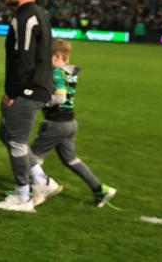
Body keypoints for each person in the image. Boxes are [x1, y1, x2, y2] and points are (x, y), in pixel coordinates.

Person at [28, 39, 117, 208]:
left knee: (31, 159)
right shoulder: (70, 72)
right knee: (71, 160)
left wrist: (41, 100)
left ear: (55, 57)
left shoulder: (56, 73)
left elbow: (60, 97)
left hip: (56, 123)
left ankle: (33, 192)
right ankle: (100, 189)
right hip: (70, 123)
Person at [0, 0, 53, 213]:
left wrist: (13, 92)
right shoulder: (36, 14)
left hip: (27, 90)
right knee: (6, 134)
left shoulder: (26, 17)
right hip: (34, 88)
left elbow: (24, 61)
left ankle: (23, 197)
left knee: (16, 142)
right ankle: (40, 181)